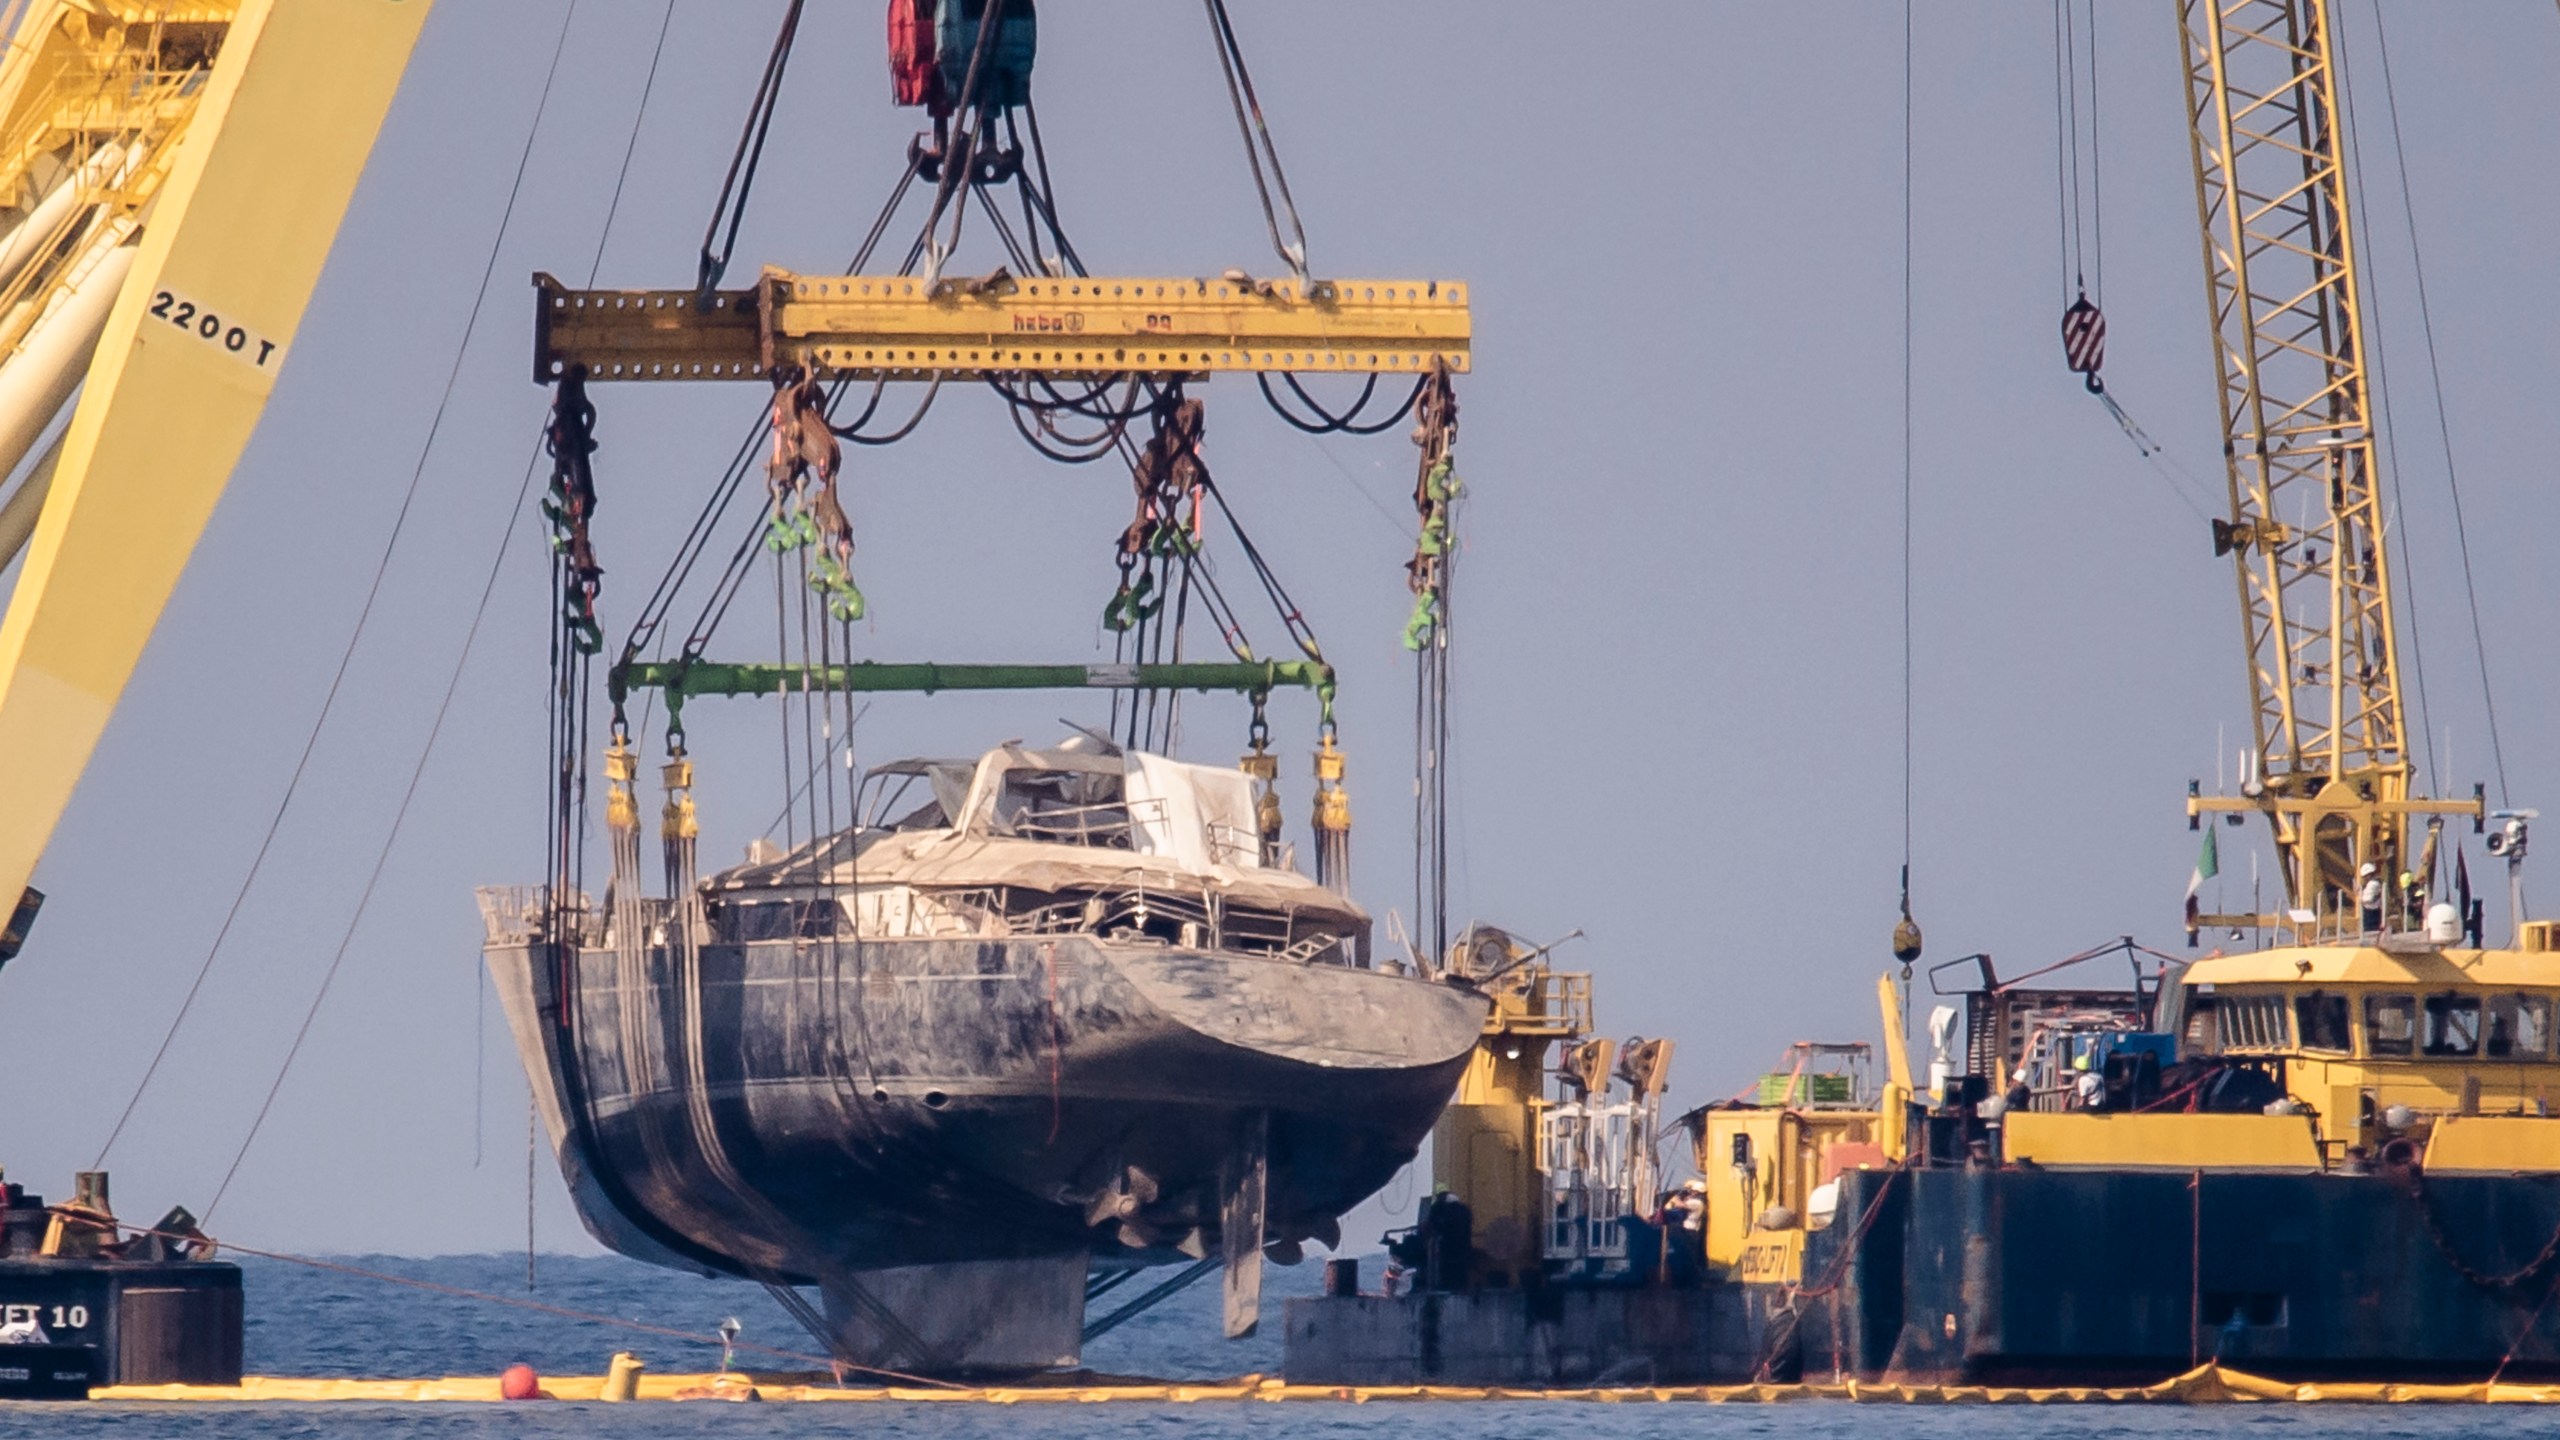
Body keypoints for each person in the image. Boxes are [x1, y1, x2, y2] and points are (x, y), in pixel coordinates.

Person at [2358, 862, 2385, 933]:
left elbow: (2367, 899)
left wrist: (2360, 898)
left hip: (2371, 914)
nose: (2365, 878)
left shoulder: (2372, 884)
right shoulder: (2377, 882)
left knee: (2370, 934)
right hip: (2375, 912)